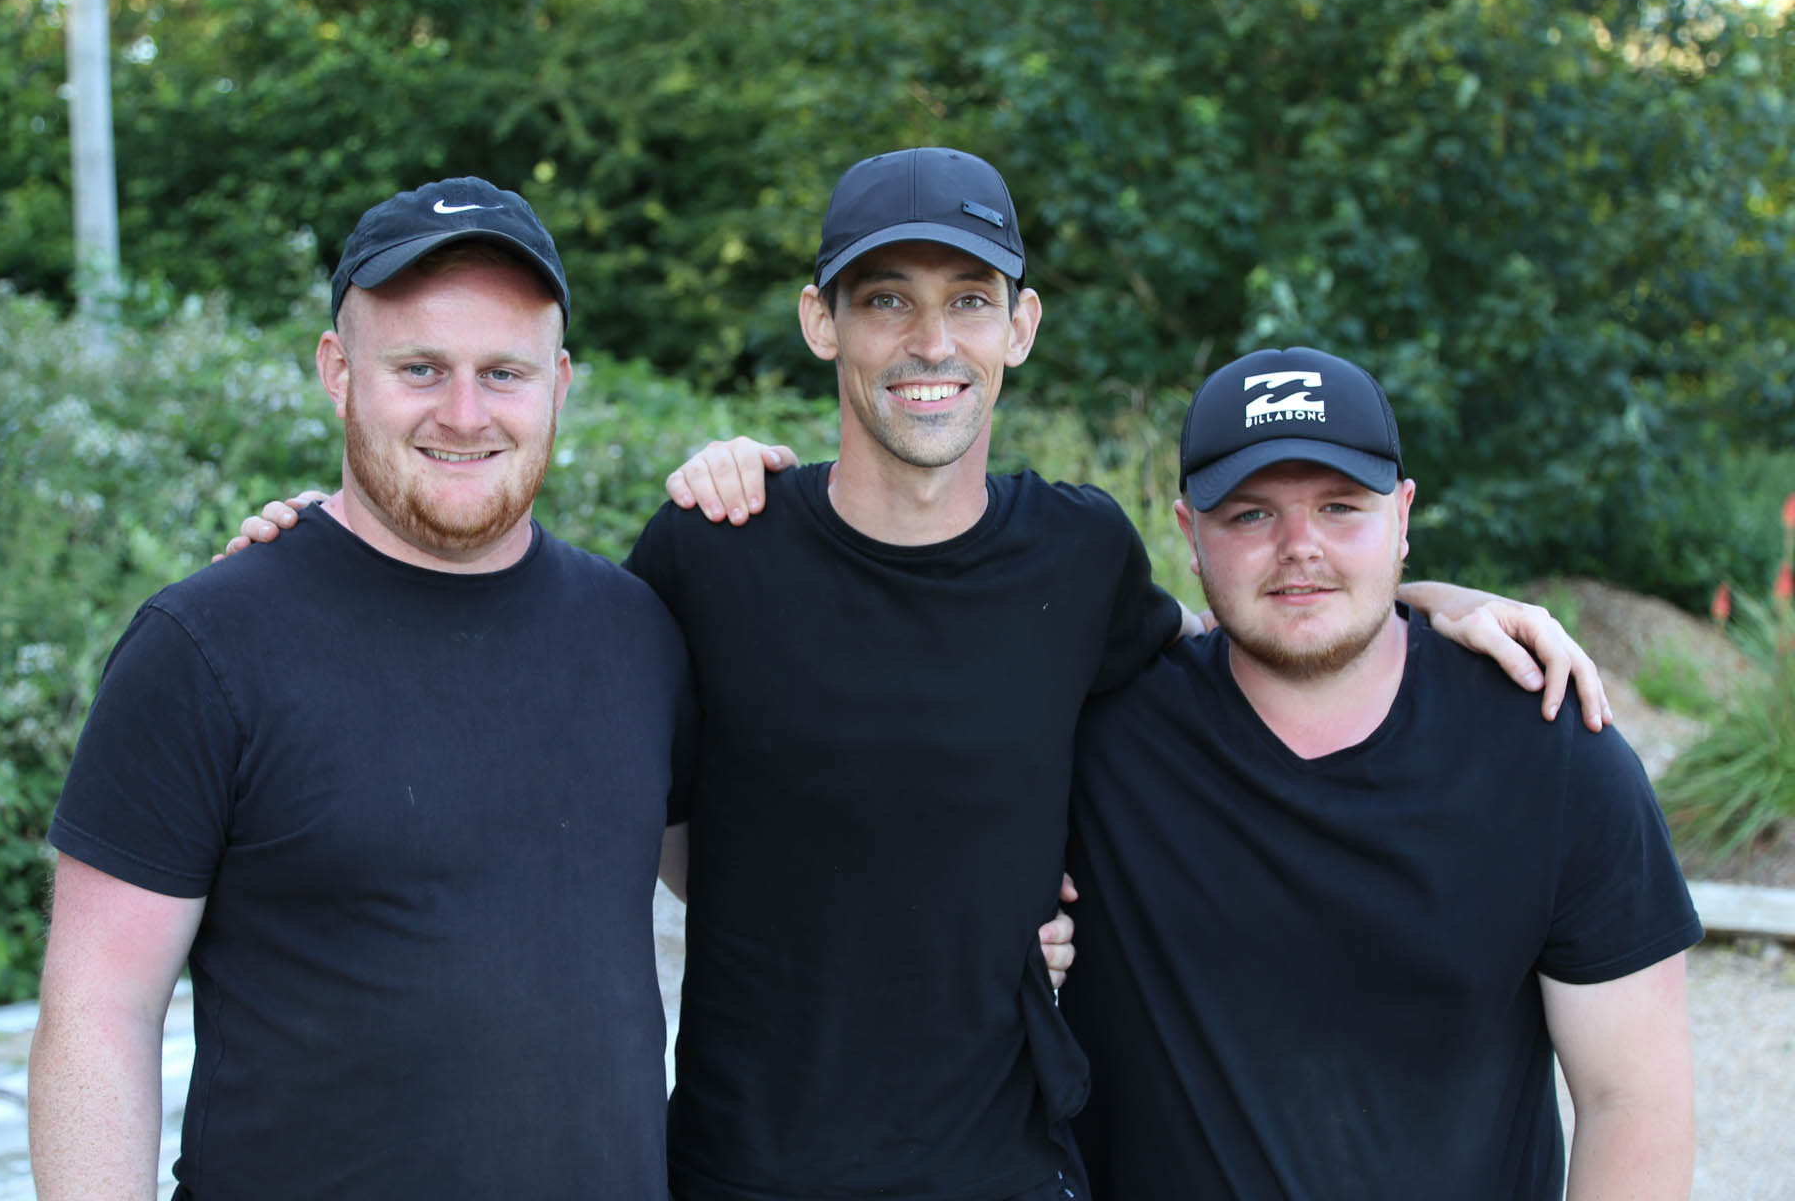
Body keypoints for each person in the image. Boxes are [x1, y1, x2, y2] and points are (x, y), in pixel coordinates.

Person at [227, 149, 1607, 1201]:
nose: (928, 340)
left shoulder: (1078, 558)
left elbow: (1254, 644)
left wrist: (1428, 602)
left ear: (1021, 327)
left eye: (967, 300)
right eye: (885, 300)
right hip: (741, 1166)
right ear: (824, 323)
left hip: (1000, 1167)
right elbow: (545, 672)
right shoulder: (718, 550)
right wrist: (332, 550)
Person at [26, 177, 694, 1200]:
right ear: (339, 371)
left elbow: (751, 886)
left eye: (503, 371)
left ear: (560, 381)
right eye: (420, 367)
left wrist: (1021, 917)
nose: (464, 413)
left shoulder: (637, 631)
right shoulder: (207, 646)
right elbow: (98, 1009)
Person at [1059, 346, 1701, 1200]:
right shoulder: (1099, 739)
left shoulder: (1551, 750)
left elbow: (1634, 1101)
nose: (1300, 548)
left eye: (1339, 507)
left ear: (1402, 517)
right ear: (1189, 535)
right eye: (1250, 515)